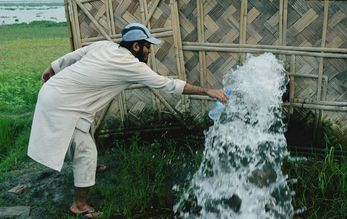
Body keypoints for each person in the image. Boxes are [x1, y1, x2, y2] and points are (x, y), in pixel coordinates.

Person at [27, 22, 229, 218]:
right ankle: (80, 205)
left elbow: (75, 55)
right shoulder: (131, 65)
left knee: (84, 128)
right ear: (136, 46)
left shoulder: (105, 45)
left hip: (55, 91)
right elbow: (168, 84)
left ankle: (88, 168)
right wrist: (207, 91)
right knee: (85, 150)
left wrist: (52, 68)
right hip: (61, 103)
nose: (149, 50)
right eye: (147, 46)